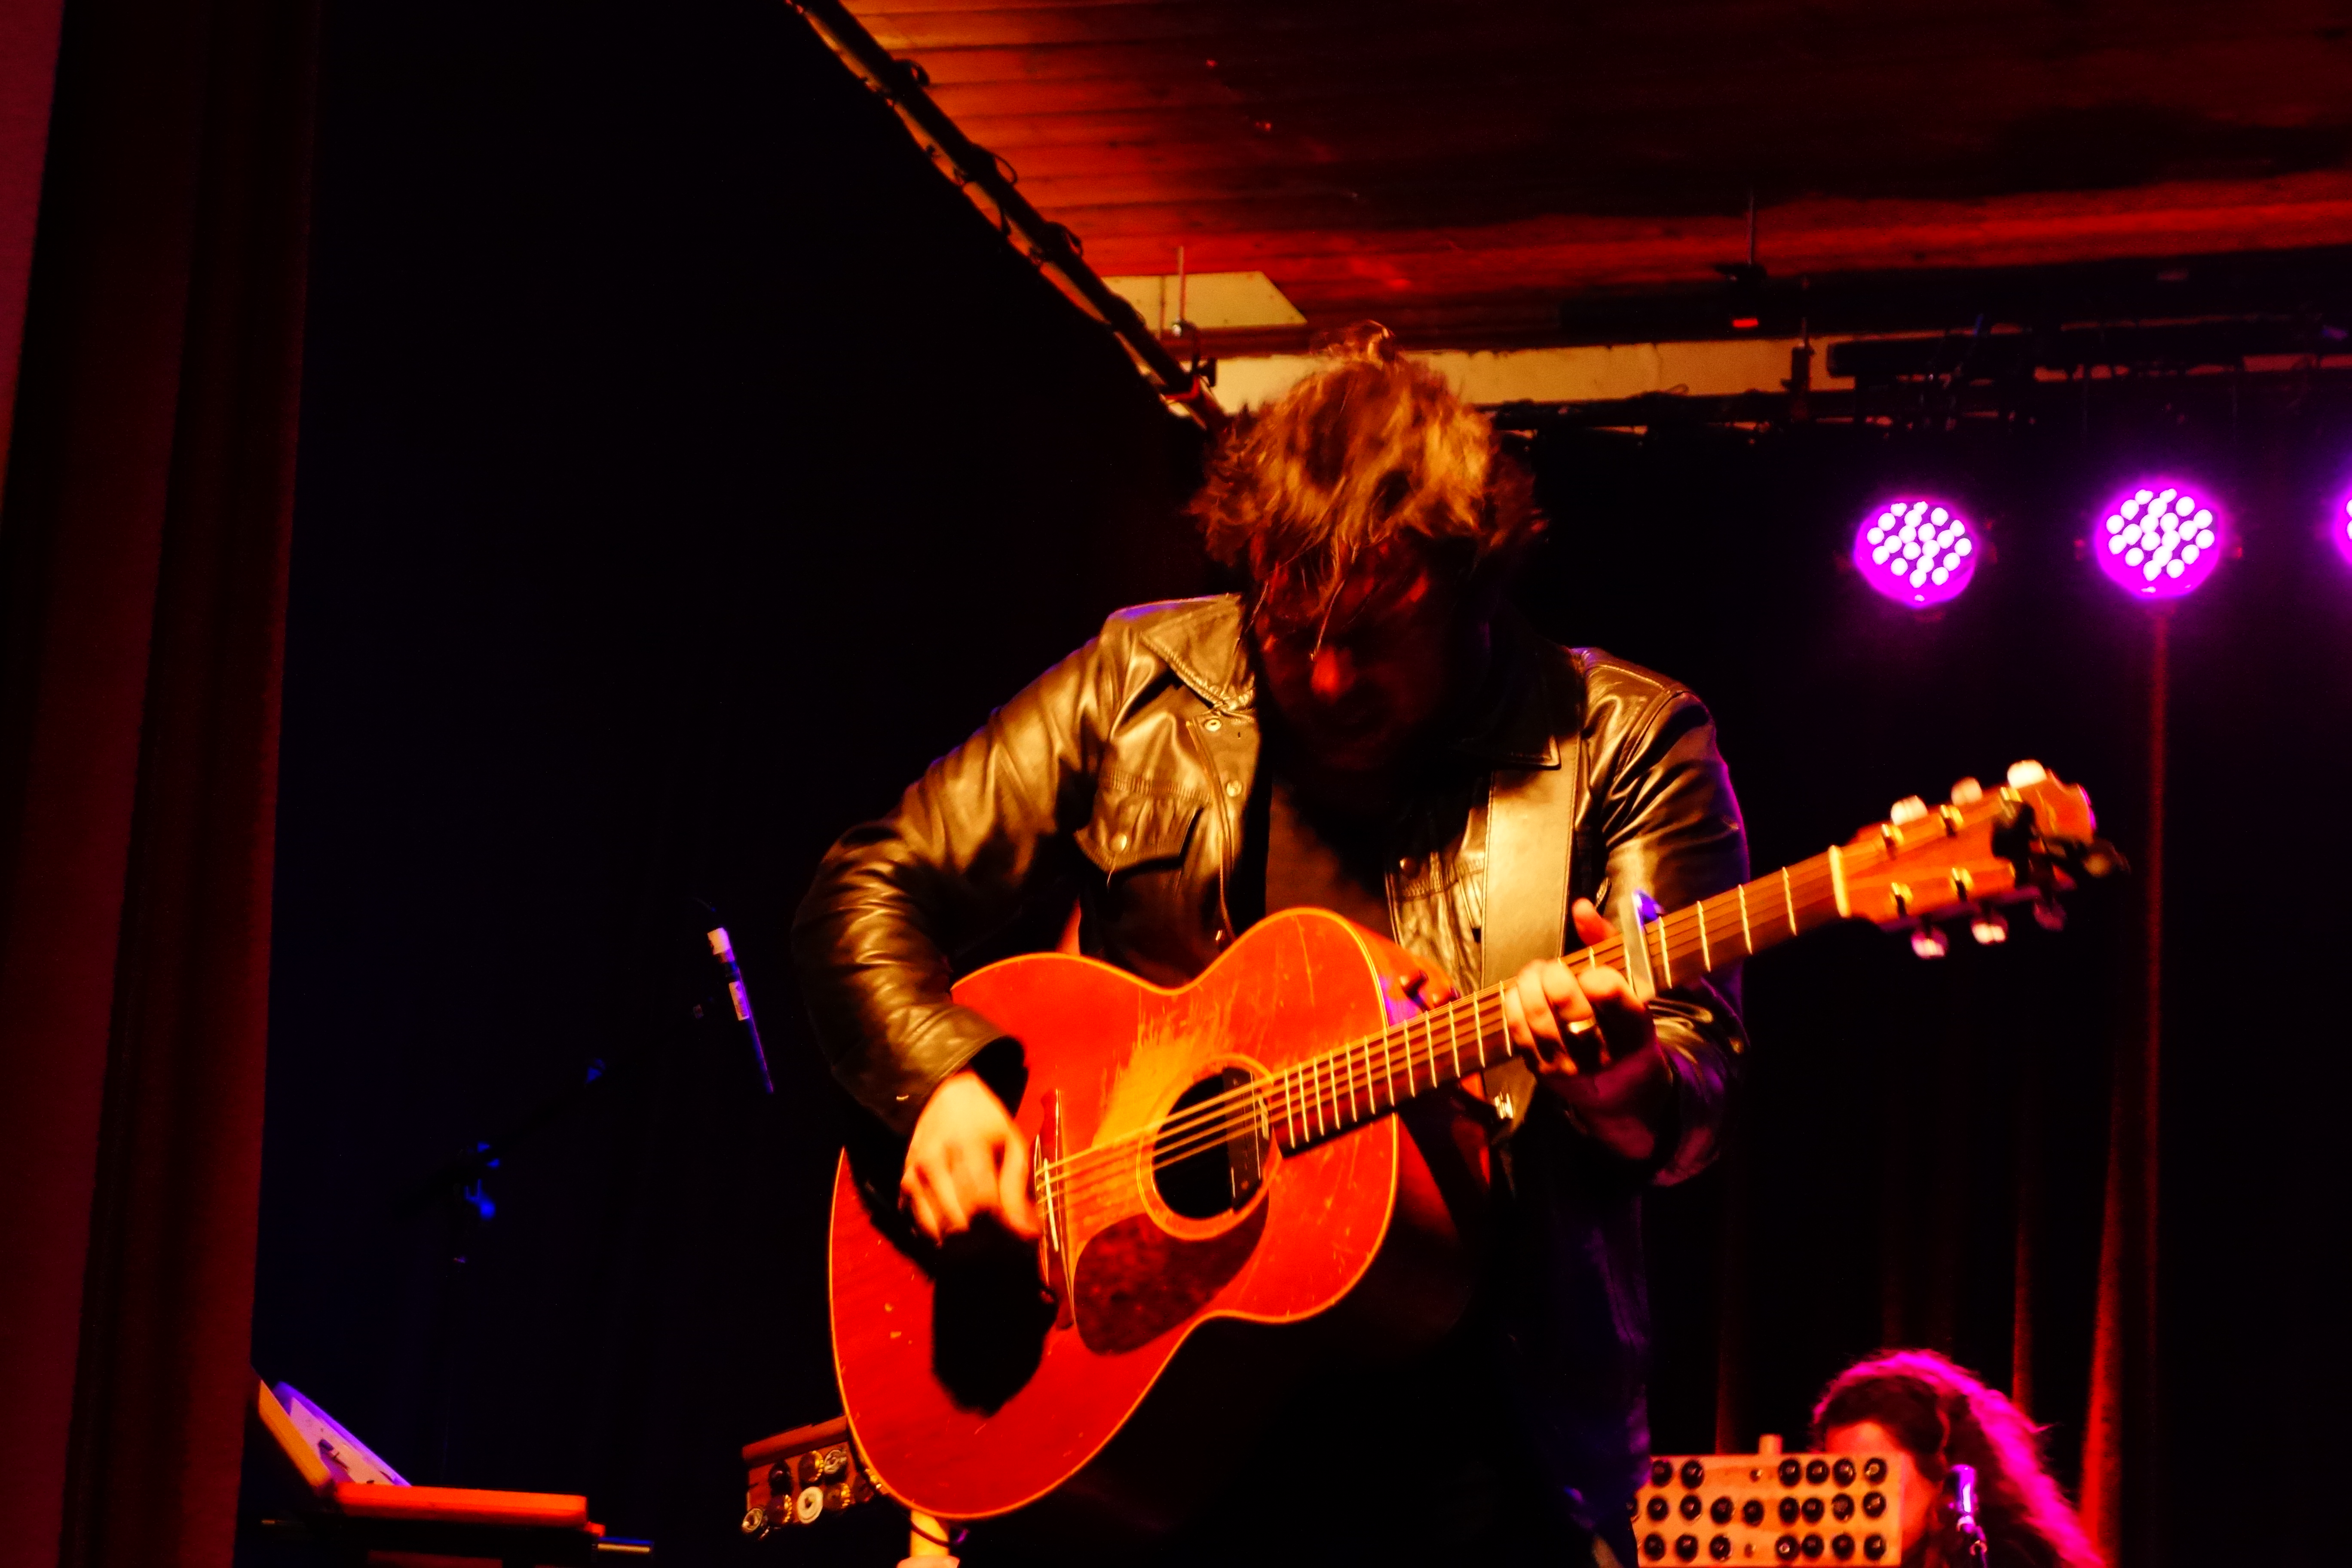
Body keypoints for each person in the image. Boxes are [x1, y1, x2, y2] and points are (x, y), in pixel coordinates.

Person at [793, 325, 1749, 1562]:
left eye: (1376, 637)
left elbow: (1694, 1089)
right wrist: (941, 1085)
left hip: (1471, 1455)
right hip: (1137, 1425)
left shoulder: (1620, 742)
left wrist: (1621, 1080)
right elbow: (867, 889)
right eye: (1292, 632)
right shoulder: (1138, 683)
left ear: (1473, 591)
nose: (1330, 679)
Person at [1814, 1350, 2103, 1568]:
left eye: (1874, 1475)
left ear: (1943, 1478)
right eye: (1840, 1476)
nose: (1850, 1503)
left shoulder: (2009, 1556)